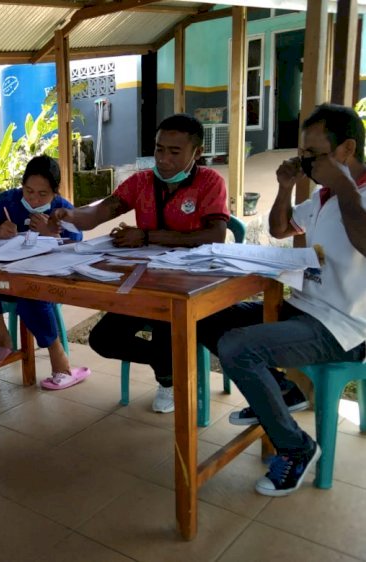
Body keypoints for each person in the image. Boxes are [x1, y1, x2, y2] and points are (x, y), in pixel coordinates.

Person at [197, 103, 366, 497]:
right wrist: (287, 186)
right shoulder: (323, 197)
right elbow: (278, 229)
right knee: (207, 318)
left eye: (314, 154)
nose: (305, 161)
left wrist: (342, 186)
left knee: (239, 347)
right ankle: (283, 391)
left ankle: (296, 446)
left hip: (345, 327)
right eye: (302, 153)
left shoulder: (347, 193)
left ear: (346, 150)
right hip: (305, 309)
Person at [52, 114, 229, 412]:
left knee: (165, 321)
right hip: (144, 281)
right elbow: (99, 213)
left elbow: (215, 234)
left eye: (175, 152)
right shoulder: (142, 182)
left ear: (197, 153)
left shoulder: (210, 182)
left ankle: (169, 380)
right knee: (104, 339)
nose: (164, 159)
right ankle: (171, 369)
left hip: (190, 282)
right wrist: (67, 214)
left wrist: (145, 236)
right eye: (159, 149)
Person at [0, 155, 91, 389]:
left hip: (44, 286)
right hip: (7, 278)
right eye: (28, 191)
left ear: (55, 192)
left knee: (31, 293)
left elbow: (79, 246)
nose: (33, 199)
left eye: (42, 194)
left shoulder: (62, 210)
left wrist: (52, 233)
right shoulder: (9, 201)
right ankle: (3, 339)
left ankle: (60, 363)